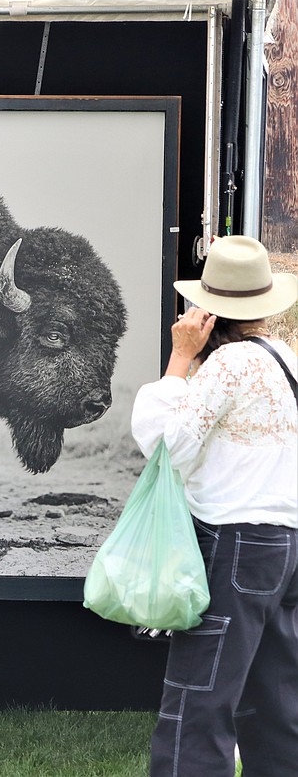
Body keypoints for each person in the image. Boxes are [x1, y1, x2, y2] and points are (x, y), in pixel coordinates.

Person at [132, 234, 298, 776]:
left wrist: (180, 357)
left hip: (235, 541)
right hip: (285, 543)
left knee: (198, 696)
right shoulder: (285, 360)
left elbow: (166, 445)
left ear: (209, 313)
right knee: (274, 699)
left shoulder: (228, 365)